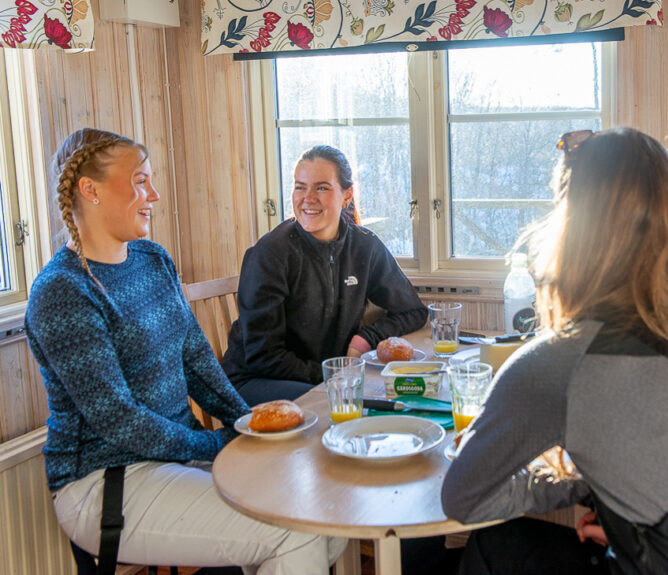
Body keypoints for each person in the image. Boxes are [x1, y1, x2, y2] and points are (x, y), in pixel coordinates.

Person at [441, 127, 668, 574]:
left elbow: (464, 497)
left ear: (569, 229)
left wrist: (575, 485)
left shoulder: (559, 362)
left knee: (498, 544)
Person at [25, 128, 345, 573]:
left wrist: (246, 428)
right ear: (89, 190)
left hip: (178, 458)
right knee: (294, 530)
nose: (153, 193)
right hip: (106, 481)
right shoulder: (63, 292)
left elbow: (198, 363)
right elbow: (119, 421)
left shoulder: (153, 260)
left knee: (323, 517)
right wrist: (217, 443)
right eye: (139, 180)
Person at [221, 145, 428, 404]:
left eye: (321, 187)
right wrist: (334, 376)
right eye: (300, 187)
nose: (308, 198)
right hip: (256, 381)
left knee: (399, 393)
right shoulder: (270, 254)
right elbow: (264, 357)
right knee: (355, 402)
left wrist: (366, 338)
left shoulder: (364, 246)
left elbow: (413, 311)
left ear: (347, 195)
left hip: (326, 378)